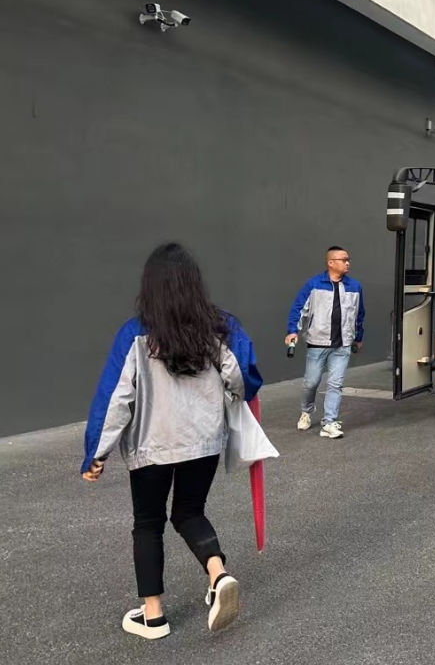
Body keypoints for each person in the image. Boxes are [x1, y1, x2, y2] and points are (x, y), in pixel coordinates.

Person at [81, 242, 263, 640]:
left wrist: (97, 452)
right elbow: (244, 378)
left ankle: (154, 616)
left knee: (148, 523)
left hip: (152, 444)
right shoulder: (222, 328)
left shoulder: (135, 334)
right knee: (189, 512)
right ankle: (218, 574)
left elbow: (116, 398)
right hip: (203, 442)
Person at [286, 246, 365, 439]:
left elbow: (359, 314)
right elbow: (298, 308)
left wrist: (358, 337)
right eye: (343, 260)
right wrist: (292, 331)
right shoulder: (314, 284)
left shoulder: (355, 286)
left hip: (343, 344)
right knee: (311, 383)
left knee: (335, 384)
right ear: (330, 263)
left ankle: (329, 422)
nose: (347, 263)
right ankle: (306, 411)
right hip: (318, 342)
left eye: (348, 259)